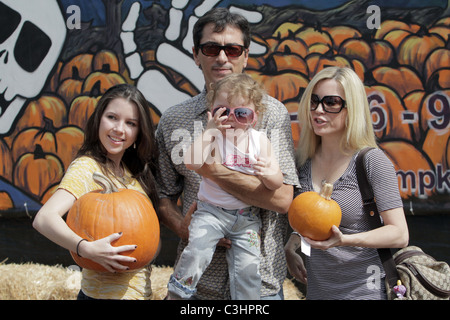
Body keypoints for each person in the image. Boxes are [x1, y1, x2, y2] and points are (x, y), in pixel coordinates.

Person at [155, 7, 299, 300]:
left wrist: (213, 171)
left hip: (261, 285)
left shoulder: (272, 115)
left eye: (232, 49)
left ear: (245, 55)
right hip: (200, 288)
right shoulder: (173, 120)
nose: (222, 57)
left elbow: (283, 199)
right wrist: (182, 227)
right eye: (211, 48)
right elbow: (162, 196)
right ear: (196, 55)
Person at [284, 66, 409, 300]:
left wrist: (344, 240)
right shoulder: (303, 162)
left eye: (331, 102)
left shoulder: (370, 160)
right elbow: (312, 222)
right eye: (314, 101)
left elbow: (400, 234)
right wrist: (293, 243)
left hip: (365, 290)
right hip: (318, 292)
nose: (318, 110)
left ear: (352, 109)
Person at [33, 84, 159, 300]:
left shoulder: (132, 173)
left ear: (139, 132)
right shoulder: (88, 167)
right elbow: (44, 219)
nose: (119, 129)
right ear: (99, 119)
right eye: (112, 117)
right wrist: (85, 248)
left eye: (130, 123)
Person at [167, 73, 283, 300]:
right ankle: (179, 292)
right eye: (223, 111)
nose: (232, 118)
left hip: (247, 219)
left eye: (242, 113)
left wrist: (268, 174)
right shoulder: (212, 137)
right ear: (211, 112)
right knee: (197, 251)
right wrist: (210, 130)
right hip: (211, 212)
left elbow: (277, 182)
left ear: (254, 118)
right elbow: (192, 162)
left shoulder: (259, 141)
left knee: (248, 268)